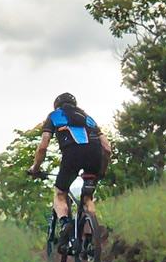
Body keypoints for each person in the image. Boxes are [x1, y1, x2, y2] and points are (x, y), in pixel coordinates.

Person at [27, 92, 109, 234]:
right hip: (95, 154)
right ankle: (92, 233)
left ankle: (65, 224)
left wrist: (35, 168)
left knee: (60, 193)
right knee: (88, 197)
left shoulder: (54, 116)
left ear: (57, 105)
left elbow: (43, 147)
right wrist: (102, 171)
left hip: (72, 154)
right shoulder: (88, 118)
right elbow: (107, 148)